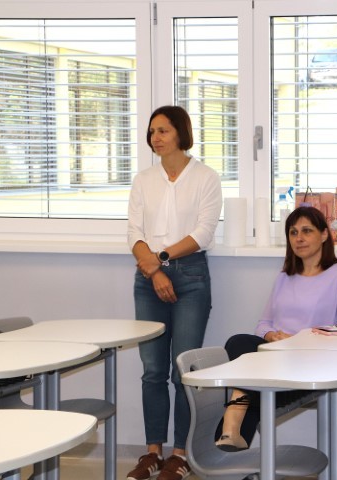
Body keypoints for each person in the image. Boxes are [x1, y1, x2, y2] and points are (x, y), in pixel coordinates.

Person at [215, 205, 337, 451]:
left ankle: (230, 431)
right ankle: (233, 436)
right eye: (293, 232)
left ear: (324, 235)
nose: (299, 238)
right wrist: (272, 335)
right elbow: (262, 324)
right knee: (238, 342)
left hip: (312, 364)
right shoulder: (285, 276)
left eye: (306, 231)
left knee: (247, 381)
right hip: (275, 359)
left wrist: (298, 341)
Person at [127, 105, 222, 480]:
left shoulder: (206, 177)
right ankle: (153, 452)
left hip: (191, 276)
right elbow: (134, 233)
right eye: (152, 131)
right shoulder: (143, 180)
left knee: (183, 369)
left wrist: (161, 259)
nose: (156, 137)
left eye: (163, 130)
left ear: (181, 133)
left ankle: (180, 455)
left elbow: (204, 233)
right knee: (152, 371)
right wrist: (153, 269)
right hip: (148, 279)